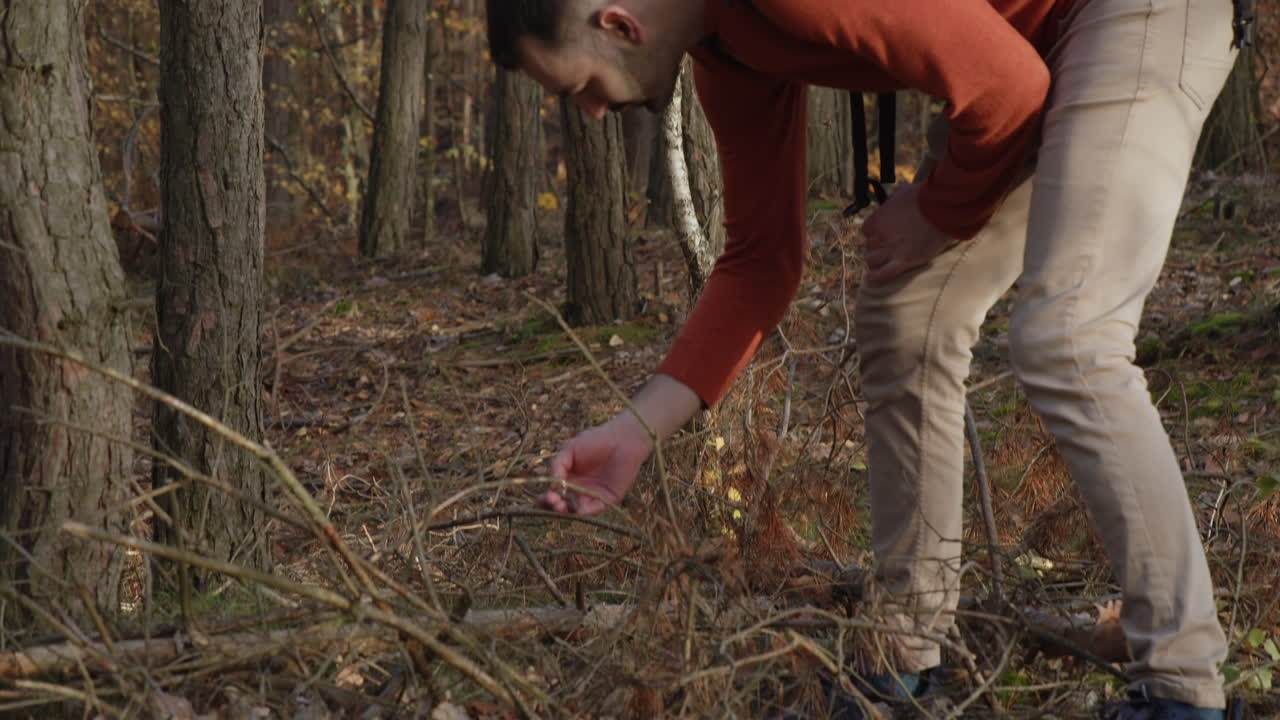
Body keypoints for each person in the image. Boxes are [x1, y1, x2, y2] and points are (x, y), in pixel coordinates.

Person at [484, 0, 1239, 717]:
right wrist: (633, 433)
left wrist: (936, 210)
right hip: (1030, 54)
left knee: (1067, 336)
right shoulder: (726, 53)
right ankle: (905, 660)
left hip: (1132, 17)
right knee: (907, 316)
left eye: (580, 85)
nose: (588, 110)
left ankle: (1184, 688)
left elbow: (1006, 89)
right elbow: (759, 264)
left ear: (618, 23)